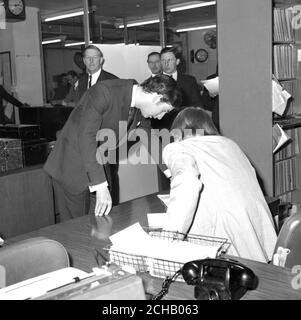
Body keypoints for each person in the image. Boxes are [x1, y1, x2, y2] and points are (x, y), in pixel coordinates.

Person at [44, 75, 182, 222]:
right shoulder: (103, 92)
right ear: (156, 97)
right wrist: (100, 186)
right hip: (71, 168)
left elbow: (150, 139)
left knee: (101, 226)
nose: (160, 117)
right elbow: (86, 138)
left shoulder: (139, 108)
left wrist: (172, 173)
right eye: (163, 110)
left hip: (99, 168)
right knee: (75, 228)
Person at [162, 107, 277, 263]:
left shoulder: (177, 147)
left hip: (224, 240)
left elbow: (187, 182)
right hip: (257, 234)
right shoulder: (230, 144)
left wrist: (166, 241)